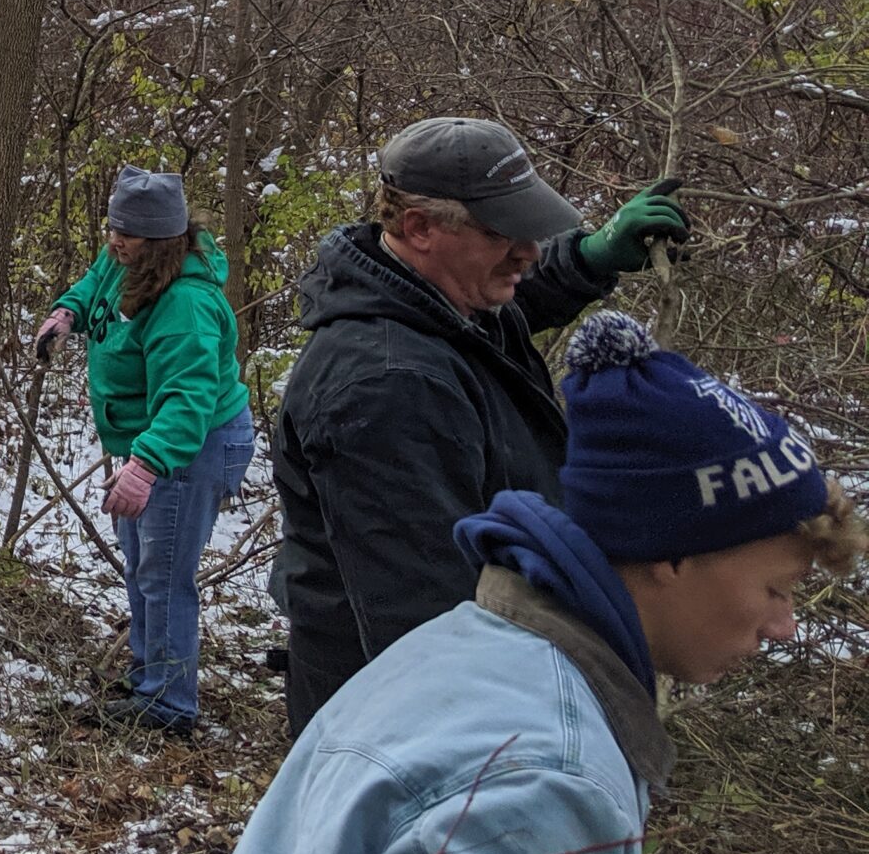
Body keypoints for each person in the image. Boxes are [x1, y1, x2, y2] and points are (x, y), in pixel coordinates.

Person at [172, 312, 862, 854]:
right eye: (778, 589)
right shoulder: (542, 774)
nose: (783, 625)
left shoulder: (471, 648)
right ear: (676, 554)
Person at [271, 116, 689, 732]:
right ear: (421, 228)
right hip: (406, 720)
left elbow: (509, 302)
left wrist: (590, 257)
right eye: (504, 233)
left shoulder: (434, 296)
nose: (528, 250)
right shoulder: (388, 387)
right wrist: (501, 740)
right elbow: (425, 614)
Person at [33, 167, 256, 736]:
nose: (114, 241)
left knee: (164, 576)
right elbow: (94, 281)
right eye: (113, 228)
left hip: (191, 445)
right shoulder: (126, 258)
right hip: (150, 441)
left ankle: (169, 704)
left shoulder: (185, 305)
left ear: (160, 241)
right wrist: (67, 313)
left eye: (126, 234)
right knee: (142, 566)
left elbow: (188, 399)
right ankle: (148, 677)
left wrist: (147, 464)